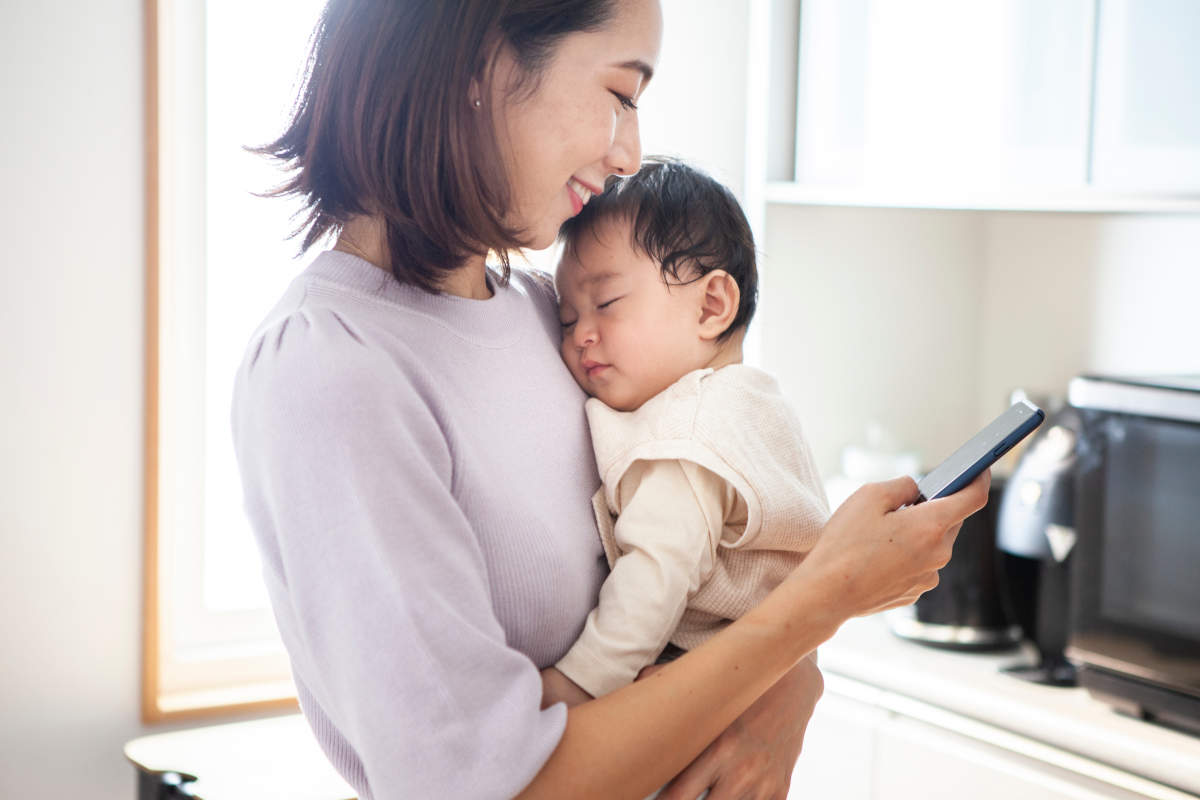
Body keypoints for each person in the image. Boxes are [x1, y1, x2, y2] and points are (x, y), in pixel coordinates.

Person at [231, 1, 990, 798]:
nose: (629, 153)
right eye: (621, 94)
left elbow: (711, 566)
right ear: (481, 64)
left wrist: (793, 677)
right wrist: (817, 609)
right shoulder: (333, 369)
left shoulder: (549, 319)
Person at [541, 158, 830, 708]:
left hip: (703, 696)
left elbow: (655, 576)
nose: (581, 335)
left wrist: (577, 684)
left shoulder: (687, 435)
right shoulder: (752, 403)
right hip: (760, 681)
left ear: (711, 306)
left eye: (606, 304)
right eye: (567, 318)